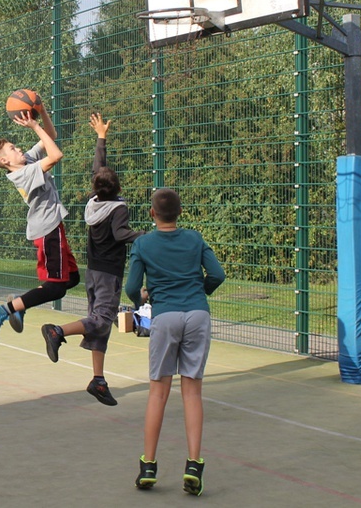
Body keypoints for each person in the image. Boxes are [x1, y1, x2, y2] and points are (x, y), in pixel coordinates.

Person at [125, 188, 225, 496]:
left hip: (165, 317)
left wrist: (144, 296)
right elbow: (217, 274)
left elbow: (131, 288)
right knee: (192, 390)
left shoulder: (143, 243)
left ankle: (149, 466)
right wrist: (198, 291)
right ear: (180, 213)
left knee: (158, 391)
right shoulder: (194, 239)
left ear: (152, 214)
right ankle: (194, 465)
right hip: (197, 315)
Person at [40, 113, 144, 406]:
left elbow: (99, 167)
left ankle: (98, 380)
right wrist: (148, 236)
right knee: (101, 319)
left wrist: (101, 137)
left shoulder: (95, 202)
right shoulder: (117, 209)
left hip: (93, 272)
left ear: (96, 187)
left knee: (100, 324)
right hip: (109, 273)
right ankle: (57, 331)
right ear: (119, 188)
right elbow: (122, 234)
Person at [0, 101, 80, 344]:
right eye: (12, 149)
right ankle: (4, 311)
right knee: (56, 288)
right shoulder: (23, 174)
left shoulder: (25, 161)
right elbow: (56, 154)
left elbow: (52, 136)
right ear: (6, 161)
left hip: (52, 227)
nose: (18, 149)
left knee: (72, 279)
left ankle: (19, 305)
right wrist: (34, 125)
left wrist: (42, 109)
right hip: (47, 231)